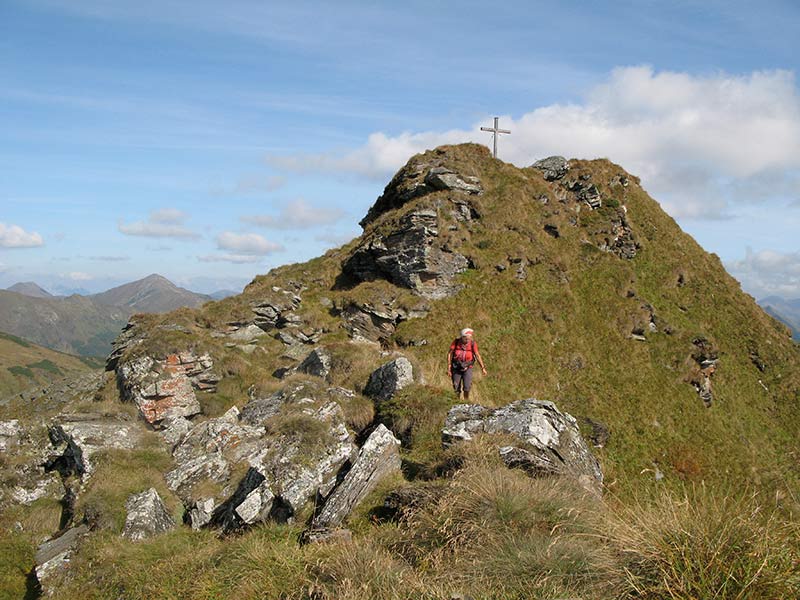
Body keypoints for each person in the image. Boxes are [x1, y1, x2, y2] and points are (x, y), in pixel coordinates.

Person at [447, 327, 487, 400]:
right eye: (466, 338)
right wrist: (449, 367)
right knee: (456, 388)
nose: (468, 340)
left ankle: (466, 402)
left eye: (470, 338)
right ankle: (457, 402)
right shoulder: (456, 342)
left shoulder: (472, 344)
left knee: (467, 387)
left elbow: (477, 355)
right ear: (462, 337)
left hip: (468, 368)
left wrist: (483, 368)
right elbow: (449, 353)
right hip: (456, 367)